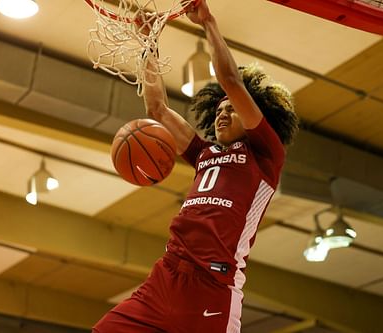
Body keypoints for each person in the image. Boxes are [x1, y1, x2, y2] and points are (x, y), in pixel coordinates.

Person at [93, 1, 299, 332]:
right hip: (167, 276)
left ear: (255, 119)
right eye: (218, 108)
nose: (222, 112)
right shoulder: (204, 153)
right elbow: (157, 109)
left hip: (212, 286)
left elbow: (231, 79)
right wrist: (149, 43)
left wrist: (208, 22)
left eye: (232, 108)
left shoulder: (265, 154)